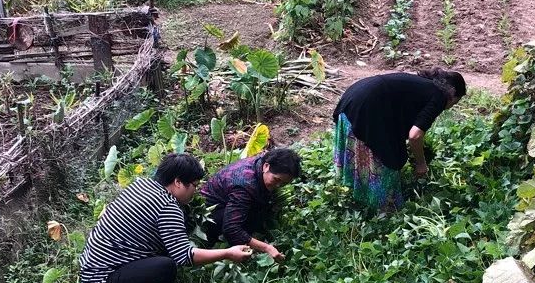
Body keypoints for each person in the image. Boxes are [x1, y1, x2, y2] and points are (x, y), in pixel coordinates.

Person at [79, 152, 252, 283]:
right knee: (165, 267)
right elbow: (185, 256)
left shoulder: (141, 184)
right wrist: (228, 253)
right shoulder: (167, 207)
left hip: (89, 270)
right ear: (177, 182)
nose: (196, 191)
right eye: (194, 185)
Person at [332, 69, 466, 210]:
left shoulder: (424, 86)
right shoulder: (440, 97)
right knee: (388, 158)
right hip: (366, 107)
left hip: (353, 97)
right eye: (455, 103)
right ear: (452, 95)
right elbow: (415, 135)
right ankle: (382, 210)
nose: (450, 108)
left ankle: (360, 198)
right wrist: (421, 163)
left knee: (392, 148)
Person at [200, 147, 300, 262]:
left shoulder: (262, 161)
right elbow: (231, 229)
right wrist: (267, 248)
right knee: (240, 227)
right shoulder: (244, 186)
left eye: (284, 183)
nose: (279, 186)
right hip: (210, 216)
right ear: (266, 166)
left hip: (233, 202)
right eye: (276, 180)